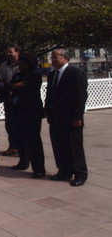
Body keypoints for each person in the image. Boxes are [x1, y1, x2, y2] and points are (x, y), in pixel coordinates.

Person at [45, 48, 88, 187]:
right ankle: (64, 170)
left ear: (65, 58)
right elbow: (50, 95)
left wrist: (78, 116)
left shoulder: (75, 73)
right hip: (56, 118)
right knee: (59, 145)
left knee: (74, 147)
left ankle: (80, 173)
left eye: (56, 58)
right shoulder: (52, 75)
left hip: (71, 117)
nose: (53, 60)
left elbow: (81, 96)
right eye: (52, 58)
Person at [9, 53, 46, 178]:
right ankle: (23, 161)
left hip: (32, 112)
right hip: (19, 111)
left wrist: (17, 87)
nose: (19, 64)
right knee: (20, 138)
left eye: (21, 62)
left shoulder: (35, 75)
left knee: (33, 140)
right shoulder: (18, 75)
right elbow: (10, 87)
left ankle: (39, 168)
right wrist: (16, 86)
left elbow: (30, 90)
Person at [0, 45, 20, 156]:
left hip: (20, 99)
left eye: (10, 52)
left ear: (17, 52)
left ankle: (21, 148)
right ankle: (12, 146)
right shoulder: (3, 65)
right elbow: (1, 80)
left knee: (20, 124)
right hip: (8, 98)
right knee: (9, 124)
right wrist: (5, 90)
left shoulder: (23, 65)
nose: (8, 54)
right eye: (7, 52)